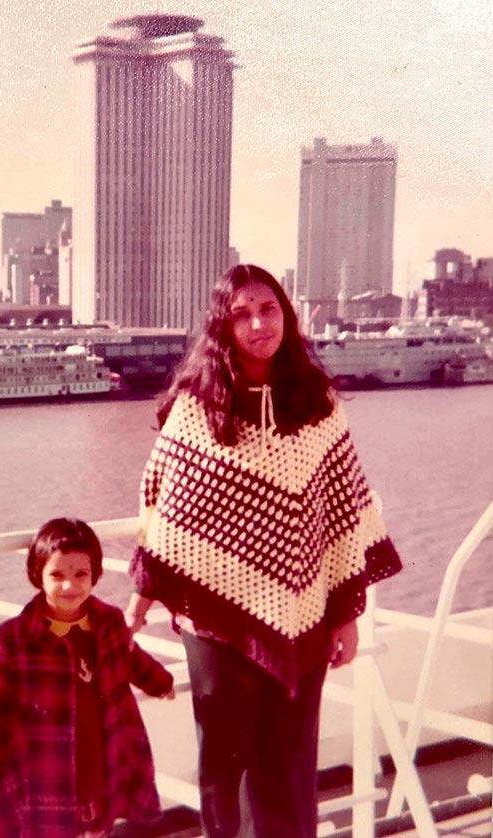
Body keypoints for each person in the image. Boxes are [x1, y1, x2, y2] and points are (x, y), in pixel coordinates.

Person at [124, 264, 402, 838]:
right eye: (242, 314)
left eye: (268, 309)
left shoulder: (317, 402)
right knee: (224, 764)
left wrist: (348, 613)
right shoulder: (196, 405)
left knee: (291, 758)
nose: (258, 323)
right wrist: (145, 594)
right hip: (213, 619)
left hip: (304, 618)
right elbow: (162, 502)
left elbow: (345, 508)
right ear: (222, 327)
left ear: (287, 314)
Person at [0, 517, 174, 838]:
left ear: (95, 575)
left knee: (99, 828)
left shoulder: (109, 623)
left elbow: (129, 659)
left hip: (102, 760)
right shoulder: (14, 640)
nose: (70, 586)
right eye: (57, 575)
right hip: (50, 771)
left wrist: (160, 682)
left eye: (80, 574)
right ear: (38, 576)